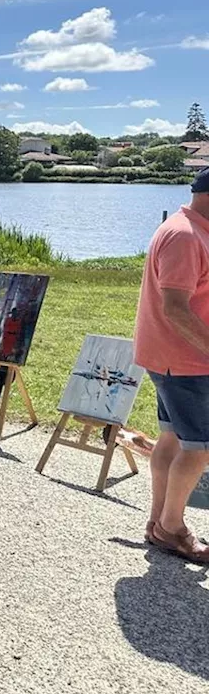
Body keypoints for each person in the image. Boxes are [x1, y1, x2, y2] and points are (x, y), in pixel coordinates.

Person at [134, 169, 209, 563]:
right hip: (187, 361)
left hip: (171, 358)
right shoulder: (184, 236)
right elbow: (176, 309)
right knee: (201, 448)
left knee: (173, 439)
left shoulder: (188, 228)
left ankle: (158, 522)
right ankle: (173, 528)